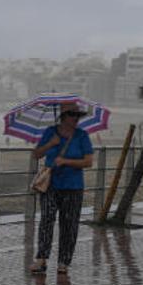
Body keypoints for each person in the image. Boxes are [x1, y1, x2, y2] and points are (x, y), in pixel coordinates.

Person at [29, 102, 94, 276]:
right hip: (50, 185)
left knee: (69, 224)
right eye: (73, 115)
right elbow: (36, 154)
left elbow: (88, 161)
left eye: (77, 116)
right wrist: (51, 144)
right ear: (63, 117)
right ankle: (41, 259)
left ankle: (64, 262)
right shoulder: (51, 132)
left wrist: (66, 162)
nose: (76, 119)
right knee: (46, 220)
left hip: (73, 187)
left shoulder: (82, 136)